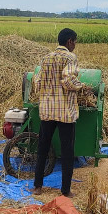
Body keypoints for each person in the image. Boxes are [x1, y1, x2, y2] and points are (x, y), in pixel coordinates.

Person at [32, 28, 84, 198]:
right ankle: (65, 190)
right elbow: (68, 80)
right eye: (74, 41)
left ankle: (37, 187)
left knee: (43, 148)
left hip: (47, 110)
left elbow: (37, 83)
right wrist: (81, 87)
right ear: (69, 41)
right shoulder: (70, 57)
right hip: (65, 112)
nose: (75, 45)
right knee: (67, 151)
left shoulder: (45, 58)